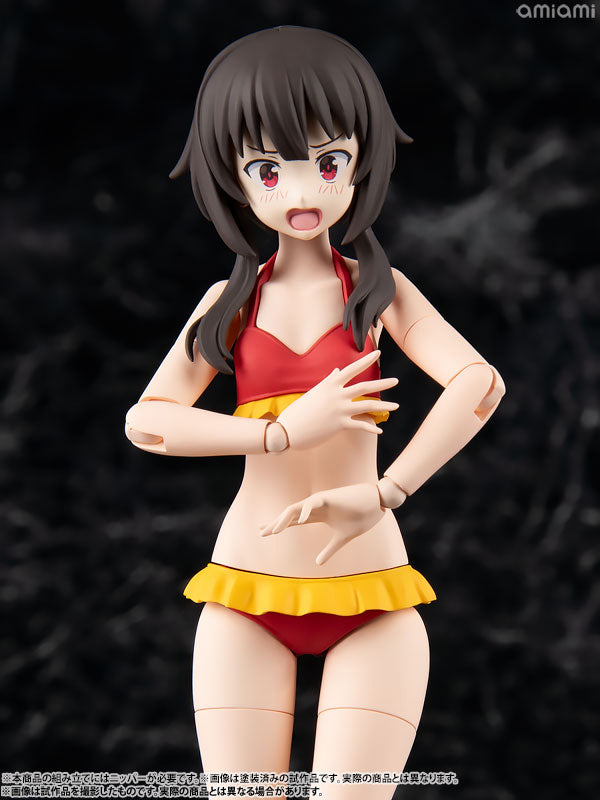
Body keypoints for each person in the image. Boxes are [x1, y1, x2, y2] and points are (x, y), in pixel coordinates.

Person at [125, 26, 505, 799]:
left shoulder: (377, 292)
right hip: (246, 594)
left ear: (361, 160)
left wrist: (386, 491)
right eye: (268, 170)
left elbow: (480, 383)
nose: (300, 194)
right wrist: (279, 432)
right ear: (233, 176)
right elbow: (149, 420)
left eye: (327, 163)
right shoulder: (230, 304)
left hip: (374, 595)